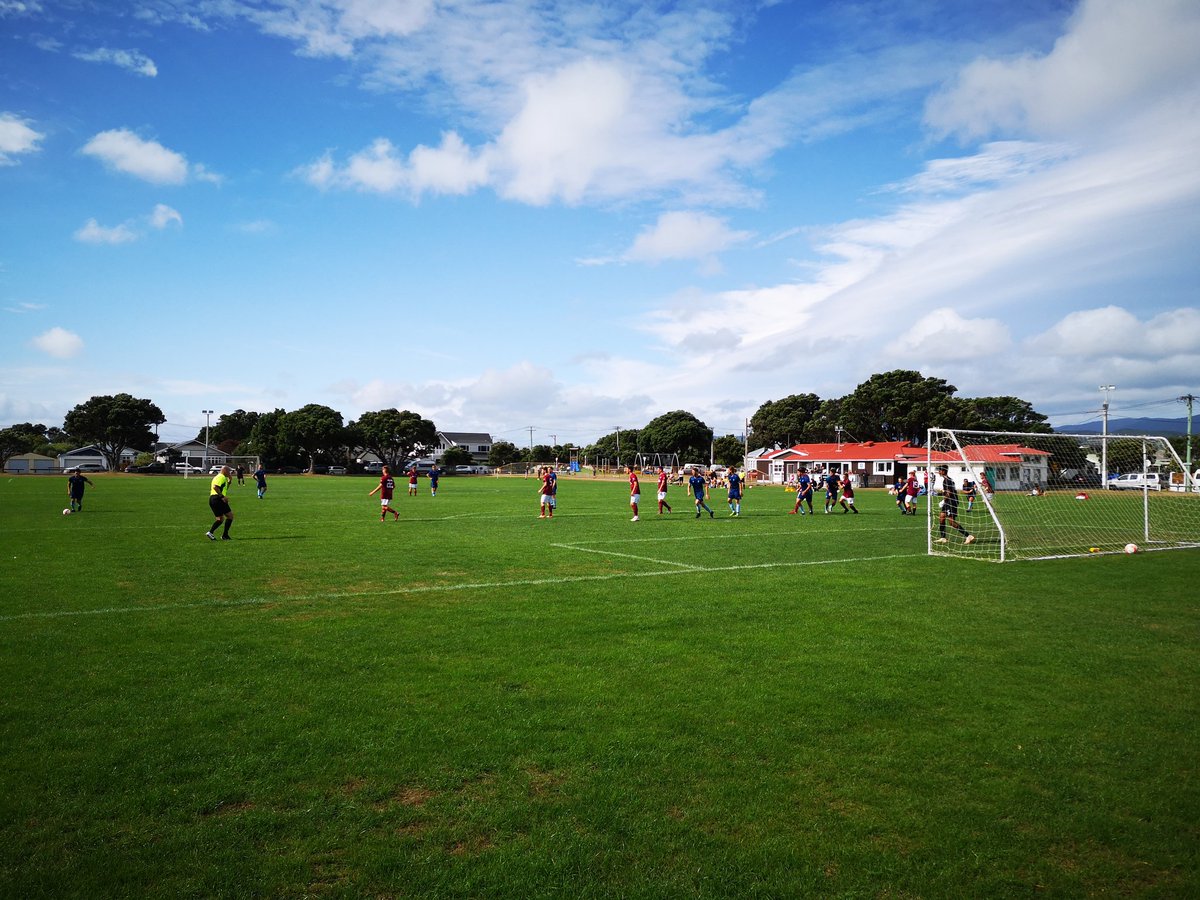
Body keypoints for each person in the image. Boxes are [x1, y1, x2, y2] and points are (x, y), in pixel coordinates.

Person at [934, 464, 975, 545]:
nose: (938, 472)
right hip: (948, 502)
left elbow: (949, 492)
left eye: (940, 470)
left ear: (943, 471)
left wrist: (943, 500)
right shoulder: (948, 479)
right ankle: (943, 538)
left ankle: (968, 536)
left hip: (951, 502)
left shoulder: (947, 480)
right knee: (941, 517)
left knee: (951, 522)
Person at [206, 465, 235, 540]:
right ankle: (225, 535)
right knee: (230, 516)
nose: (230, 473)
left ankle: (210, 532)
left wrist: (229, 482)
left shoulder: (221, 477)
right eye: (229, 471)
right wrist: (222, 497)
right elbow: (215, 487)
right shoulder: (221, 477)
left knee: (220, 519)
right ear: (224, 470)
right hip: (218, 499)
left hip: (213, 499)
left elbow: (223, 489)